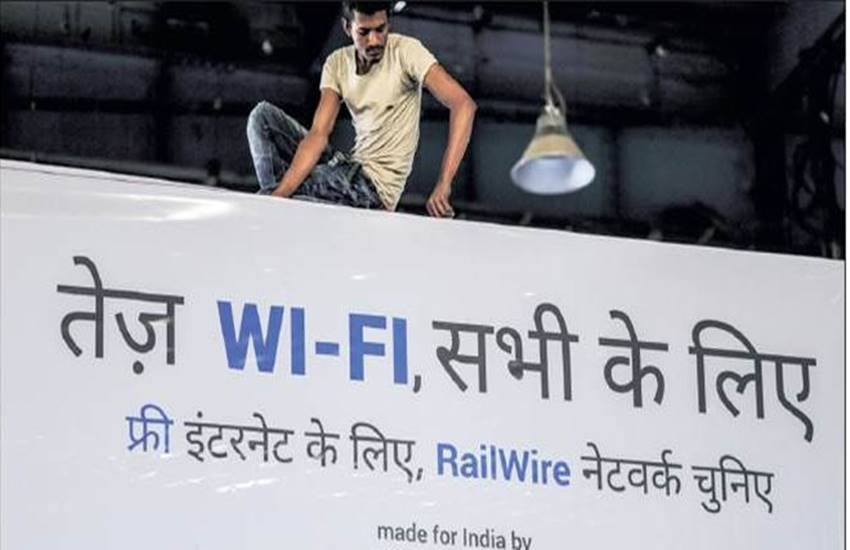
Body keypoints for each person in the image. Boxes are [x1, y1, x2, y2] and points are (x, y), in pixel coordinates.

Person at [246, 1, 476, 217]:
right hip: (346, 167)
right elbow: (318, 134)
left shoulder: (406, 52)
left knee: (286, 189)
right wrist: (281, 194)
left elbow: (463, 104)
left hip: (372, 188)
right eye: (364, 32)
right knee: (262, 117)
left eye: (380, 29)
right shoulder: (337, 63)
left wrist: (444, 183)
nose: (374, 40)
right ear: (347, 28)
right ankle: (282, 206)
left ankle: (277, 207)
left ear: (388, 24)